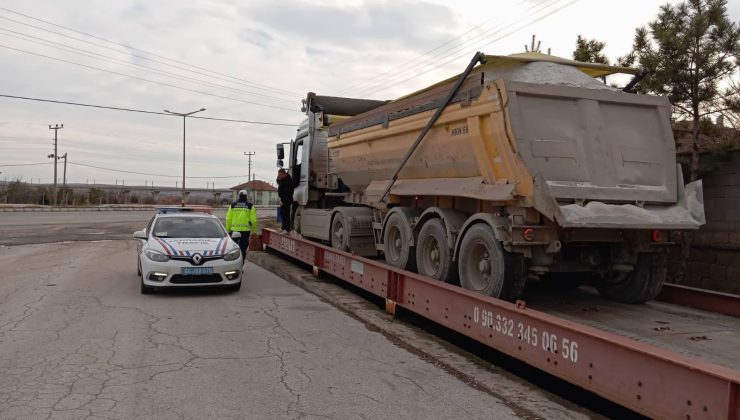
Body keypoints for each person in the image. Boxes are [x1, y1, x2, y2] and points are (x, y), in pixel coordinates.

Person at [225, 189, 257, 260]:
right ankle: (241, 265)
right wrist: (254, 231)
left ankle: (234, 265)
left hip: (234, 230)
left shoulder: (232, 205)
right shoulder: (250, 206)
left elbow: (228, 219)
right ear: (246, 196)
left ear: (239, 196)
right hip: (245, 231)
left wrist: (228, 230)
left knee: (233, 250)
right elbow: (253, 221)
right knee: (243, 249)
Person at [276, 168, 294, 233]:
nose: (279, 177)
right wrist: (278, 178)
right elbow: (279, 182)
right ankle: (283, 228)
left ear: (284, 174)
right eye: (278, 176)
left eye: (280, 175)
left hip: (287, 199)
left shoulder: (288, 181)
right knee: (282, 213)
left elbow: (287, 193)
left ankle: (287, 229)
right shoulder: (283, 179)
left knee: (286, 214)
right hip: (283, 199)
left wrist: (282, 200)